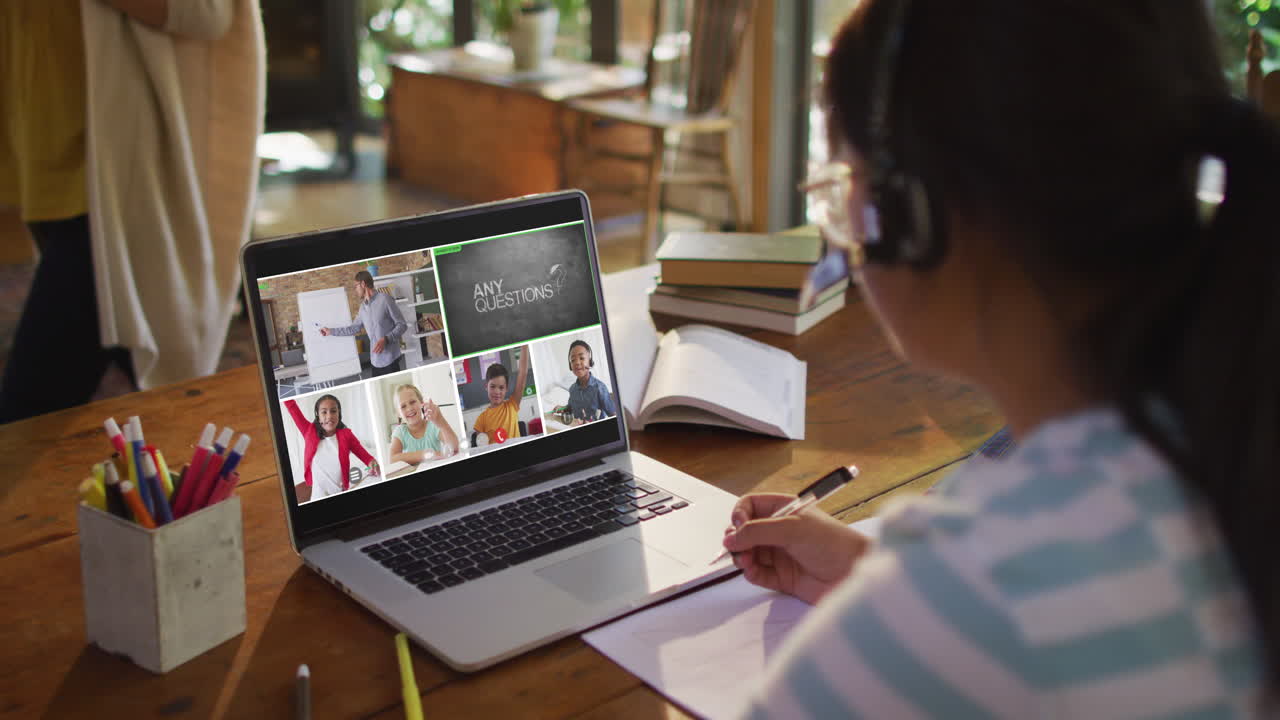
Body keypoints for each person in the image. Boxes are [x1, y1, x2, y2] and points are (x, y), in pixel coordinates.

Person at [721, 1, 1276, 716]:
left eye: (842, 187)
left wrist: (918, 613)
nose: (846, 237)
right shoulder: (1226, 439)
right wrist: (880, 580)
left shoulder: (977, 592)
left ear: (916, 211)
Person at [0, 0, 264, 423]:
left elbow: (209, 11)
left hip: (116, 184)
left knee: (26, 412)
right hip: (46, 163)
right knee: (147, 382)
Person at [284, 396, 379, 503]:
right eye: (324, 412)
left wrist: (373, 464)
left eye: (333, 411)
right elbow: (292, 407)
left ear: (339, 414)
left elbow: (366, 456)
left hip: (340, 491)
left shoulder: (347, 435)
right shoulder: (308, 431)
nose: (329, 416)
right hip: (317, 496)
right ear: (318, 416)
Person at [320, 270, 408, 378]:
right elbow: (353, 329)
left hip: (390, 360)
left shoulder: (385, 299)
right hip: (375, 362)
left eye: (356, 286)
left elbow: (402, 325)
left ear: (363, 284)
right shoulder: (362, 308)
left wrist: (386, 339)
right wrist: (330, 331)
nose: (355, 290)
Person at [388, 384, 460, 466]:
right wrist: (426, 454)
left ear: (421, 403)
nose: (409, 408)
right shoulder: (400, 432)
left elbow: (454, 448)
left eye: (412, 402)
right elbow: (392, 459)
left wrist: (441, 421)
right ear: (398, 413)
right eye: (403, 406)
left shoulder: (433, 425)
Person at [473, 346, 530, 444]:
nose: (497, 392)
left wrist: (524, 346)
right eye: (493, 386)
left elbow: (523, 373)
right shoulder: (481, 419)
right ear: (486, 386)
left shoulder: (512, 404)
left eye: (501, 387)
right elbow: (482, 446)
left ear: (506, 388)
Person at [565, 340, 615, 423]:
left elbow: (613, 415)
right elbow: (570, 407)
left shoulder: (600, 388)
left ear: (590, 361)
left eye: (582, 358)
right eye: (573, 360)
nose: (577, 362)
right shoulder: (572, 389)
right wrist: (562, 409)